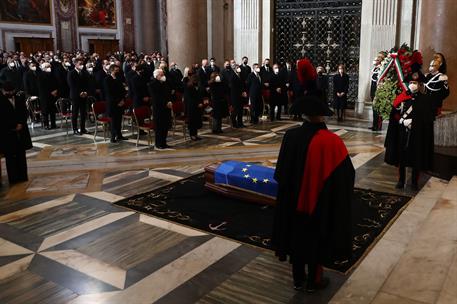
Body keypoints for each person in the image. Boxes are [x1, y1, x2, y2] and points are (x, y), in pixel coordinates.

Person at [273, 93, 354, 293]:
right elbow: (346, 177)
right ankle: (313, 282)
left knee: (297, 238)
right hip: (319, 203)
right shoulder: (332, 141)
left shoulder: (290, 137)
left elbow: (280, 173)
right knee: (316, 241)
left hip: (293, 202)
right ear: (322, 116)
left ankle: (297, 280)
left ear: (303, 115)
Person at [384, 71, 434, 190]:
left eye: (415, 82)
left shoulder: (425, 99)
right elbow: (394, 113)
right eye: (411, 82)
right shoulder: (403, 96)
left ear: (420, 84)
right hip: (402, 132)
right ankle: (401, 180)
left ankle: (414, 182)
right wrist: (401, 121)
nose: (412, 84)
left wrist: (414, 123)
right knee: (401, 157)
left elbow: (427, 118)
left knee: (416, 156)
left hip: (417, 133)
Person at [0, 82, 32, 185]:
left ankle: (23, 176)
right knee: (10, 157)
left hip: (21, 131)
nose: (10, 93)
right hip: (7, 132)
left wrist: (21, 123)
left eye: (11, 91)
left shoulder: (18, 98)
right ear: (3, 91)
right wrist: (13, 126)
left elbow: (24, 112)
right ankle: (13, 179)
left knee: (21, 155)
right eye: (7, 91)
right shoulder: (1, 101)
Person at [148, 69, 173, 149]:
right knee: (159, 127)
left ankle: (164, 142)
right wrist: (165, 103)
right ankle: (158, 143)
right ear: (157, 76)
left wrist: (169, 101)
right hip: (159, 108)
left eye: (163, 74)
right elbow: (156, 98)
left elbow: (168, 93)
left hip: (166, 108)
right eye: (161, 75)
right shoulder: (152, 84)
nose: (163, 76)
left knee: (165, 126)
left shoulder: (165, 83)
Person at [104, 64, 127, 143]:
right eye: (115, 70)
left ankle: (119, 135)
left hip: (120, 102)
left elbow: (123, 90)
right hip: (112, 103)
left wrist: (122, 100)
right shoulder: (107, 79)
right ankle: (113, 136)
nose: (117, 72)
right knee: (113, 121)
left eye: (118, 70)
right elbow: (109, 93)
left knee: (119, 119)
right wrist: (117, 101)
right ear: (111, 70)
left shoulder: (118, 78)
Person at [68, 59, 89, 135]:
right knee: (75, 113)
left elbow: (87, 83)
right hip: (75, 96)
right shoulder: (71, 73)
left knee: (83, 113)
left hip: (84, 95)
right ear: (75, 64)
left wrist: (85, 92)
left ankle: (83, 128)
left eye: (82, 63)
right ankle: (75, 129)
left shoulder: (84, 73)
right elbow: (72, 85)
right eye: (80, 63)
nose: (81, 65)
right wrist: (79, 93)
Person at [425, 53, 450, 117]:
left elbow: (446, 92)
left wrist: (435, 99)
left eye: (433, 65)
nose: (431, 67)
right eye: (430, 65)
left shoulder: (442, 77)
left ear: (440, 64)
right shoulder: (426, 75)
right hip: (425, 104)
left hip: (435, 106)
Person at [37, 62, 58, 129]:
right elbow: (42, 87)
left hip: (52, 95)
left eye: (50, 66)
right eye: (47, 67)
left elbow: (56, 83)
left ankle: (53, 124)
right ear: (43, 68)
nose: (49, 68)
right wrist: (50, 92)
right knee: (45, 111)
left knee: (52, 111)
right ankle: (46, 125)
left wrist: (55, 90)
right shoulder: (40, 75)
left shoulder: (52, 74)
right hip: (45, 96)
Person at [184, 73, 203, 140]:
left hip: (197, 107)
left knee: (196, 121)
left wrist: (200, 102)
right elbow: (190, 98)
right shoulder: (188, 87)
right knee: (192, 122)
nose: (196, 82)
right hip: (191, 107)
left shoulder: (197, 86)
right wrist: (197, 104)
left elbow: (199, 95)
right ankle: (192, 135)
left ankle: (195, 134)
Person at [370, 54, 384, 131]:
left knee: (377, 109)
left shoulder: (381, 69)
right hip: (373, 90)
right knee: (374, 109)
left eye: (377, 60)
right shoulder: (375, 69)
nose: (375, 61)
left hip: (377, 91)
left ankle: (378, 126)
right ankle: (374, 124)